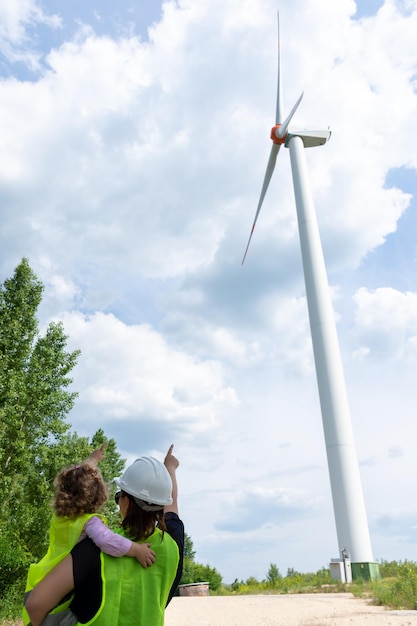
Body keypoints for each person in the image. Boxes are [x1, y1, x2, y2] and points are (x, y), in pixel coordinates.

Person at [25, 444, 184, 626]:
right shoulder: (173, 547)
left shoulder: (95, 547)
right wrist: (170, 468)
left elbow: (35, 605)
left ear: (126, 502)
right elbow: (172, 510)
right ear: (161, 505)